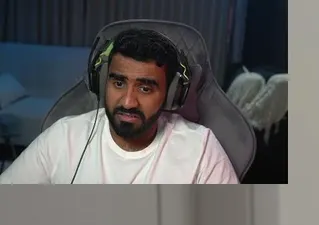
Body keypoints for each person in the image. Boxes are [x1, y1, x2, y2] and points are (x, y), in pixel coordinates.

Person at [0, 28, 238, 184]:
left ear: (170, 94)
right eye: (119, 83)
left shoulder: (201, 149)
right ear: (103, 82)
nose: (128, 101)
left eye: (145, 88)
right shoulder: (64, 138)